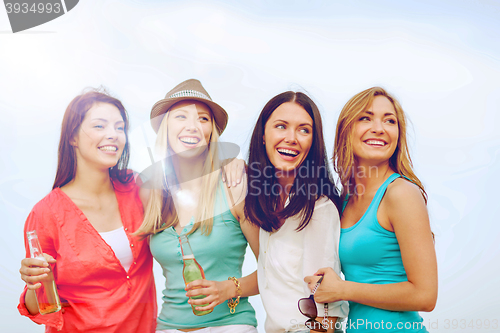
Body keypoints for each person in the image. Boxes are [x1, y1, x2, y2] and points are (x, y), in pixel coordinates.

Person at [18, 89, 157, 332]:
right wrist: (34, 284)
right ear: (73, 137)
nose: (113, 135)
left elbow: (188, 193)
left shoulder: (137, 187)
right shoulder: (46, 213)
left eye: (120, 127)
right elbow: (40, 307)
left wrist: (231, 167)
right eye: (99, 126)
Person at [305, 87, 438, 332]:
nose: (379, 128)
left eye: (390, 120)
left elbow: (425, 295)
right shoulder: (343, 201)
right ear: (346, 129)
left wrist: (342, 290)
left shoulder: (401, 193)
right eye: (365, 118)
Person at [134, 79, 259, 333]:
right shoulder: (151, 193)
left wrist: (229, 288)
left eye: (203, 119)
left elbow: (274, 268)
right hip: (167, 327)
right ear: (165, 128)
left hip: (230, 326)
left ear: (211, 132)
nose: (192, 126)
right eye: (181, 116)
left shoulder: (234, 184)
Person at [245, 91, 349, 333]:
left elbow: (325, 310)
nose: (291, 138)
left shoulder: (318, 208)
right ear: (263, 136)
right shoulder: (265, 202)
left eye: (304, 130)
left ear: (313, 142)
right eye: (281, 126)